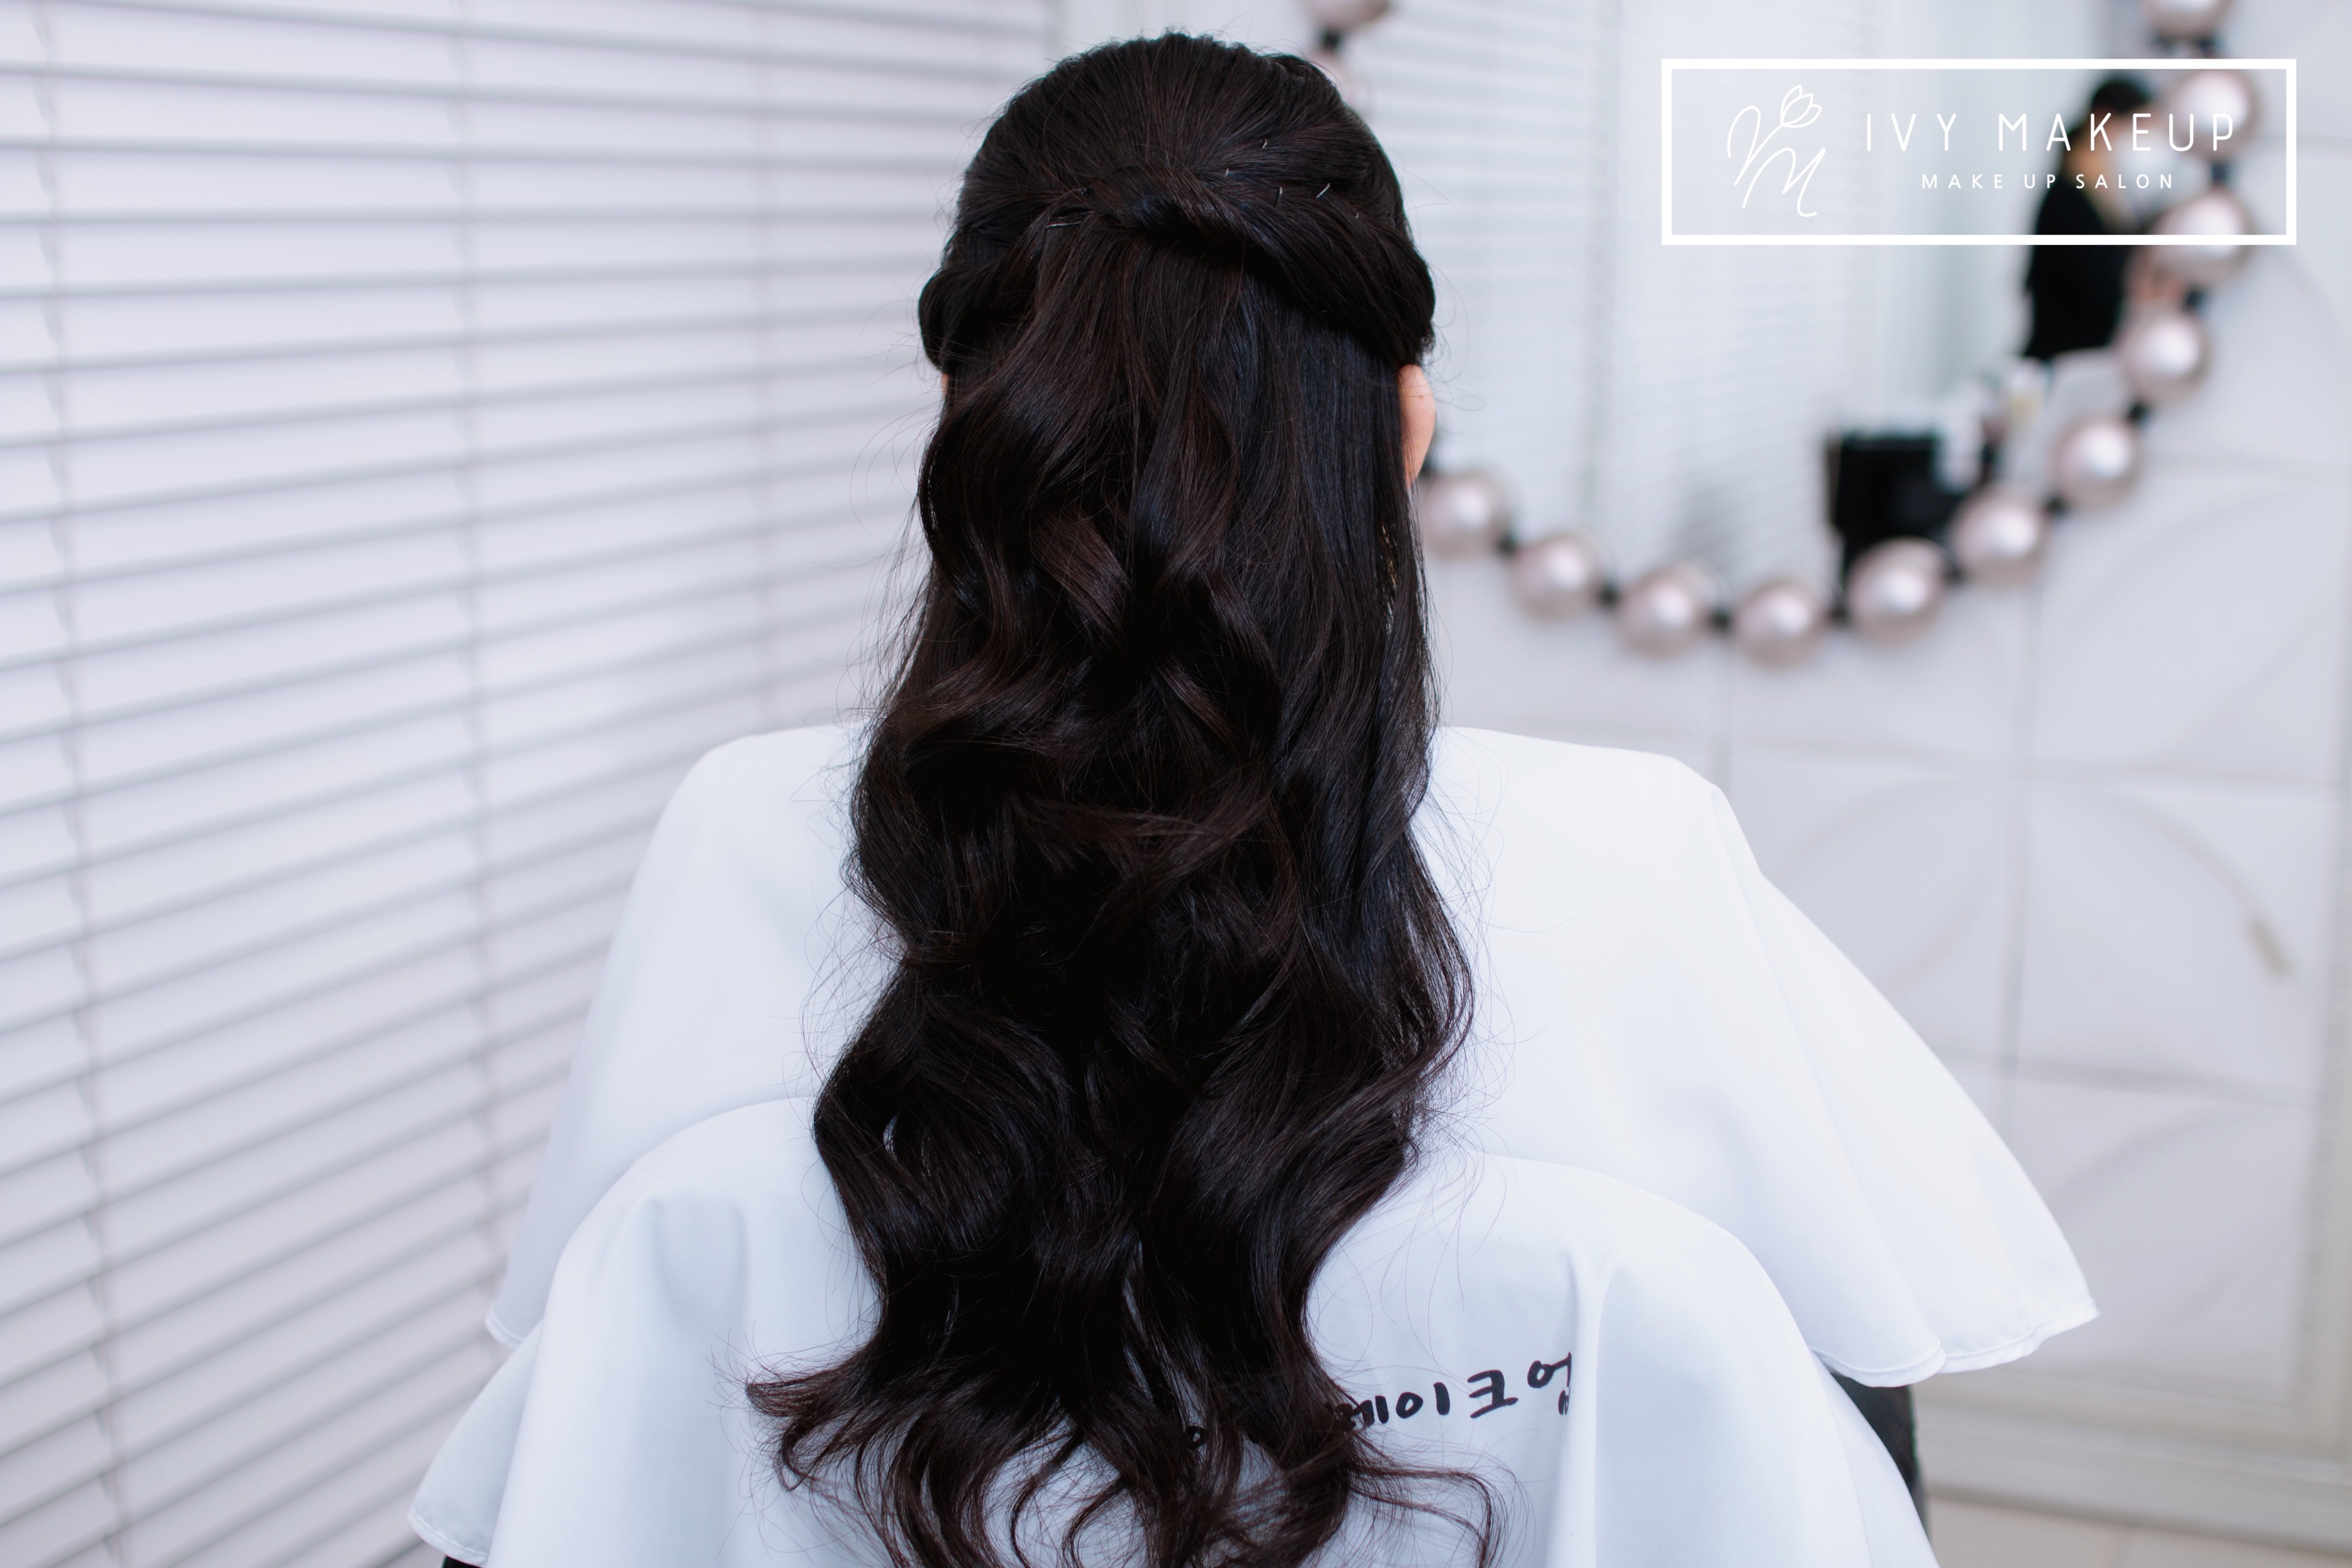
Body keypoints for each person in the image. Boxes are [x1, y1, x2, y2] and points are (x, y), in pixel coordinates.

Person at [411, 35, 2090, 1567]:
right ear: (1405, 424)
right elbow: (1812, 1443)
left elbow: (604, 1411)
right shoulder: (1629, 852)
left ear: (972, 417)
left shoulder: (741, 831)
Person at [2023, 76, 2152, 361]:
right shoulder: (2067, 202)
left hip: (2086, 359)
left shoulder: (2107, 198)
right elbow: (2101, 289)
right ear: (2105, 123)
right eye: (2141, 130)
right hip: (2065, 363)